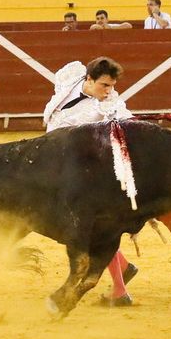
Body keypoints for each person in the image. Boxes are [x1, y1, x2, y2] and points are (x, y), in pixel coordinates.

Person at [42, 57, 138, 307]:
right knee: (95, 229)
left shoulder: (109, 106)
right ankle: (123, 270)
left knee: (95, 229)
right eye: (104, 85)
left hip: (84, 171)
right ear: (88, 79)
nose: (109, 91)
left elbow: (127, 124)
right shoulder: (70, 76)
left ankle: (120, 290)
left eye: (112, 86)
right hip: (54, 159)